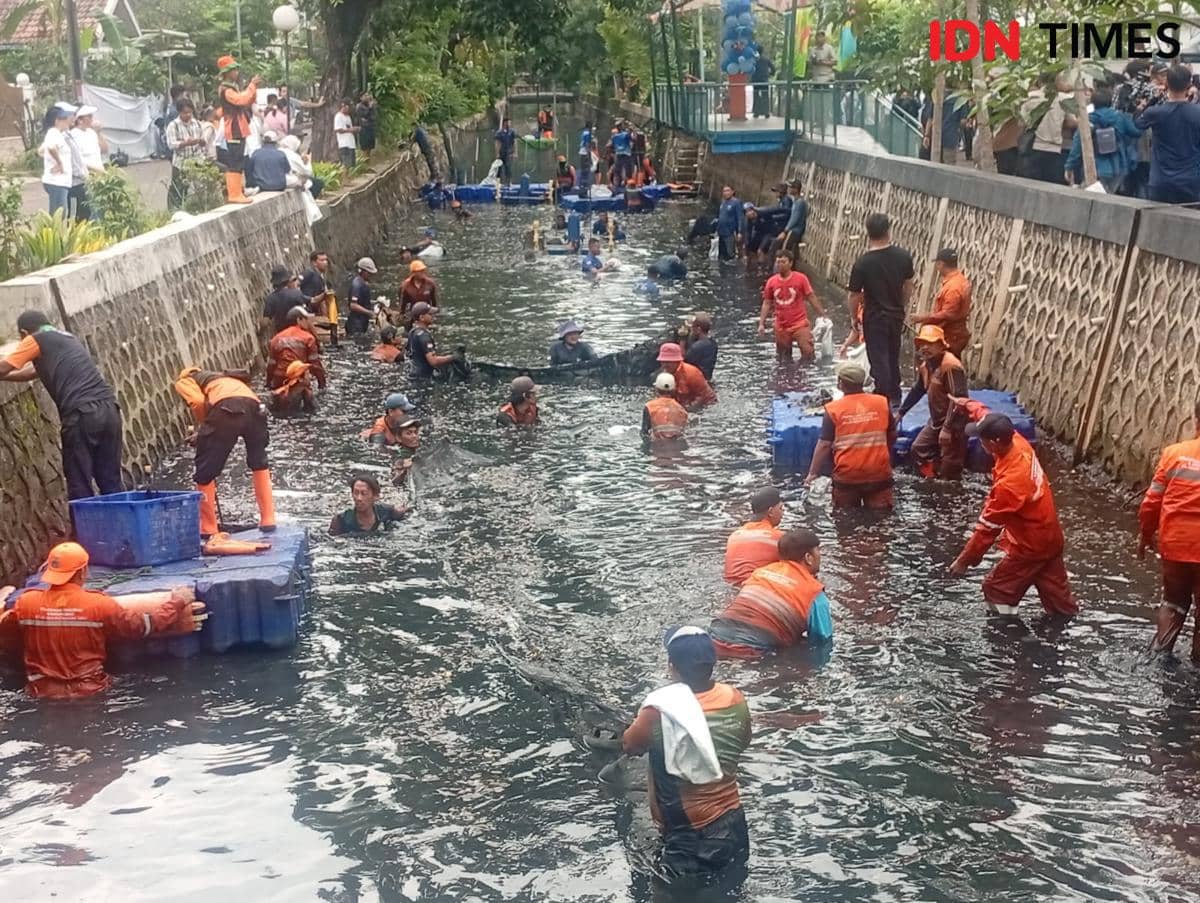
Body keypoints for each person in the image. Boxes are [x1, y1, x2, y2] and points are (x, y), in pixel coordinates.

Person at [619, 625, 752, 880]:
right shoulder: (735, 699)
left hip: (691, 838)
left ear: (672, 666)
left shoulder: (660, 711)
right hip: (735, 824)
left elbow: (630, 746)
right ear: (712, 664)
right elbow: (743, 742)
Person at [0, 544, 204, 699]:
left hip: (41, 693)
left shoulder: (25, 603)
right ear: (82, 572)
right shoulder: (99, 604)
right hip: (90, 692)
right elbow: (144, 626)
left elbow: (7, 638)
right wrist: (177, 602)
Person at [949, 414, 1078, 617]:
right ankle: (1064, 635)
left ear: (993, 443)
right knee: (1060, 604)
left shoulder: (1010, 484)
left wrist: (964, 561)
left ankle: (1009, 640)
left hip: (1030, 547)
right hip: (1050, 539)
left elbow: (987, 529)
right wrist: (967, 404)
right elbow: (985, 412)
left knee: (996, 589)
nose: (978, 441)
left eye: (981, 438)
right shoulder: (1017, 441)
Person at [0, 309, 122, 499]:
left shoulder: (35, 339)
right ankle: (121, 527)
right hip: (109, 409)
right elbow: (30, 373)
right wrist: (6, 378)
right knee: (110, 480)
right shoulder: (67, 338)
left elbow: (4, 366)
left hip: (82, 414)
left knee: (79, 482)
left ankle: (87, 528)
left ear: (24, 333)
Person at [173, 366, 275, 535]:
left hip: (227, 409)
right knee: (259, 462)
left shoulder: (184, 381)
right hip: (256, 408)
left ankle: (208, 527)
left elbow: (197, 402)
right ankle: (268, 519)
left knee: (205, 470)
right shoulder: (222, 380)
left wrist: (204, 429)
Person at [1139, 400, 1200, 658]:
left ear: (1196, 419)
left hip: (1175, 544)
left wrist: (1144, 535)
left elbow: (1151, 502)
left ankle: (1159, 658)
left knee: (1173, 602)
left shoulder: (1174, 454)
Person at [710, 529, 834, 657]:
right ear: (808, 558)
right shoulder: (814, 593)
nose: (820, 555)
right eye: (818, 551)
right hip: (755, 649)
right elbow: (822, 641)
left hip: (715, 637)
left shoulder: (760, 572)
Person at [806, 361, 896, 508]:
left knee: (845, 519)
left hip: (848, 476)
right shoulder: (882, 402)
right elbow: (892, 435)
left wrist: (812, 474)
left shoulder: (833, 409)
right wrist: (883, 455)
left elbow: (824, 445)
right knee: (881, 520)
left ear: (840, 383)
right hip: (878, 473)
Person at [848, 213, 914, 409]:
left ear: (867, 232)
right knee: (893, 354)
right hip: (896, 315)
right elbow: (908, 286)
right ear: (888, 230)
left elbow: (854, 294)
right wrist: (902, 306)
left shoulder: (863, 262)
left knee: (878, 358)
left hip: (875, 316)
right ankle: (894, 394)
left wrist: (854, 317)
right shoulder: (903, 256)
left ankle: (883, 396)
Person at [898, 325, 968, 480]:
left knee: (950, 469)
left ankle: (947, 484)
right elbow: (918, 390)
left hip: (955, 423)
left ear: (941, 346)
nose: (925, 348)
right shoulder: (927, 365)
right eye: (922, 344)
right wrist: (901, 412)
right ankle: (932, 475)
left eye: (930, 344)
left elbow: (959, 399)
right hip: (937, 420)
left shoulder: (950, 366)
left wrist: (948, 428)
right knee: (918, 448)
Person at [1135, 64, 1200, 204]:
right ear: (1189, 84)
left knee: (1158, 224)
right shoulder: (1197, 112)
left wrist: (1153, 100)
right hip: (1192, 181)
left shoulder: (1155, 113)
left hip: (1161, 181)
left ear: (1166, 83)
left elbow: (1137, 123)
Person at [1065, 86, 1141, 193]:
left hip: (1094, 167)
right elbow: (1136, 132)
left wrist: (1069, 166)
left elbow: (1078, 145)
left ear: (1093, 102)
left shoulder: (1088, 119)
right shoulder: (1120, 117)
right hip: (1117, 167)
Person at [759, 250, 826, 361]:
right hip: (781, 325)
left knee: (808, 352)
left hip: (800, 323)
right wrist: (761, 323)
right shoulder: (771, 282)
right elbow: (767, 302)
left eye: (783, 262)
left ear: (790, 263)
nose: (780, 265)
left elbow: (811, 297)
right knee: (783, 357)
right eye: (778, 262)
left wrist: (823, 315)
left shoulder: (801, 279)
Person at [216, 55, 261, 203]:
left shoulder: (231, 88)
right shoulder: (227, 90)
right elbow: (241, 100)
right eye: (234, 70)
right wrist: (251, 85)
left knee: (238, 161)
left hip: (239, 128)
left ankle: (237, 192)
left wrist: (253, 89)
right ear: (227, 72)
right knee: (235, 162)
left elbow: (247, 100)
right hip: (234, 128)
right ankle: (234, 194)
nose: (236, 72)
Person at [913, 248, 971, 357]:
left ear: (941, 264)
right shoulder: (961, 280)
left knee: (944, 367)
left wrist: (923, 318)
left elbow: (949, 314)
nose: (937, 268)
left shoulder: (953, 287)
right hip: (956, 334)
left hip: (950, 335)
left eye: (937, 265)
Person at [1020, 72, 1075, 185]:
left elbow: (1021, 123)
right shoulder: (1063, 99)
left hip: (1033, 146)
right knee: (1052, 186)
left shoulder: (1030, 97)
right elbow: (1071, 122)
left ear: (1040, 82)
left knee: (1032, 185)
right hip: (1054, 150)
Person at [723, 487, 784, 586]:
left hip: (731, 587)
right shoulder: (778, 537)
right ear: (771, 511)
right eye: (781, 508)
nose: (783, 513)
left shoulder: (734, 536)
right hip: (757, 588)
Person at [267, 306, 326, 391]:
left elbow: (271, 365)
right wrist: (322, 385)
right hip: (298, 378)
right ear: (299, 320)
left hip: (279, 380)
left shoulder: (276, 339)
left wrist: (268, 384)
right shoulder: (308, 338)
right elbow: (315, 364)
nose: (308, 322)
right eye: (306, 319)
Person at [329, 474, 407, 535]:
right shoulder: (340, 520)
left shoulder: (387, 512)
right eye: (356, 493)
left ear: (376, 496)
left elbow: (407, 512)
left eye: (364, 493)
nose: (359, 498)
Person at [165, 99, 207, 209]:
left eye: (190, 112)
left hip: (197, 160)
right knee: (179, 188)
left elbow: (203, 140)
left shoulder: (197, 123)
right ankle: (176, 209)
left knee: (200, 186)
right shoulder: (173, 126)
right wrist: (185, 143)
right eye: (185, 112)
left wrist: (201, 142)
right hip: (181, 162)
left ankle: (200, 206)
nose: (188, 115)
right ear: (179, 112)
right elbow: (171, 144)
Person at [657, 342, 716, 408]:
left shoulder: (692, 373)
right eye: (663, 361)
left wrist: (687, 409)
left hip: (706, 404)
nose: (665, 365)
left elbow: (702, 396)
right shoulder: (663, 374)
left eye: (668, 362)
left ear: (677, 361)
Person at [407, 302, 456, 378]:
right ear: (422, 317)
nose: (432, 316)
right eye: (429, 314)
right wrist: (453, 357)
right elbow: (433, 361)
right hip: (423, 377)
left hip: (413, 373)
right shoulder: (424, 336)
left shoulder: (412, 332)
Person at [40, 104, 73, 215]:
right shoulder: (53, 132)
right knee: (58, 215)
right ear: (56, 121)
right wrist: (59, 163)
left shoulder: (57, 134)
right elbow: (50, 147)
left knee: (60, 213)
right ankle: (50, 232)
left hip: (61, 181)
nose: (66, 121)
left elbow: (41, 150)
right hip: (56, 181)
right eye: (63, 119)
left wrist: (49, 158)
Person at [261, 265, 307, 336]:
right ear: (287, 280)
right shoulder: (297, 293)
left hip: (282, 334)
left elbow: (265, 322)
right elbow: (305, 314)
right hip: (298, 332)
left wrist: (260, 332)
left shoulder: (271, 298)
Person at [641, 372, 688, 441]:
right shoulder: (682, 410)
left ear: (656, 389)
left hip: (656, 446)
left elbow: (644, 433)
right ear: (674, 389)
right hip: (677, 447)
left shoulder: (649, 406)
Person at [773, 179, 809, 256]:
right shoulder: (795, 202)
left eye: (791, 187)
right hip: (792, 230)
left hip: (794, 231)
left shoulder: (800, 203)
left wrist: (785, 231)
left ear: (796, 189)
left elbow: (794, 219)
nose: (789, 189)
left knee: (784, 251)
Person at [346, 257, 378, 337]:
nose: (370, 275)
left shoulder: (363, 283)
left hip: (362, 322)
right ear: (362, 271)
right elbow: (353, 305)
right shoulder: (357, 285)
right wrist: (369, 312)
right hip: (356, 324)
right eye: (369, 273)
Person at [715, 185, 746, 262]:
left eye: (728, 190)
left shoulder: (736, 202)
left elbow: (740, 217)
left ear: (732, 192)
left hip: (730, 232)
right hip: (721, 232)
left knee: (730, 254)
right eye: (724, 191)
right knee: (721, 254)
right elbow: (720, 217)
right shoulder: (723, 203)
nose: (726, 193)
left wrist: (739, 232)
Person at [684, 312, 717, 381]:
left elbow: (682, 363)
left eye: (693, 327)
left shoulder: (696, 347)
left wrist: (682, 340)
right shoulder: (713, 343)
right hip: (707, 378)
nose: (692, 330)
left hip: (695, 381)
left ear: (699, 329)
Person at [334, 99, 360, 169]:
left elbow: (348, 128)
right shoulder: (338, 116)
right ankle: (345, 179)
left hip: (351, 144)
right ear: (343, 106)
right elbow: (338, 129)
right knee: (346, 165)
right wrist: (350, 130)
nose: (350, 109)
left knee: (351, 165)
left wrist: (355, 129)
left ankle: (349, 179)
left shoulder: (348, 117)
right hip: (344, 144)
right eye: (348, 107)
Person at [752, 48, 774, 118]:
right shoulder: (766, 60)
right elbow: (773, 68)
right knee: (765, 96)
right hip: (764, 80)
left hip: (756, 80)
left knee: (756, 96)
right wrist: (769, 74)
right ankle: (766, 112)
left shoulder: (754, 60)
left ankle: (756, 112)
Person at [494, 117, 516, 184]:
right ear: (504, 123)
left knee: (508, 168)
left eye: (510, 123)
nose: (509, 124)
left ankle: (509, 183)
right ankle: (498, 183)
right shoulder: (499, 132)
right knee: (499, 169)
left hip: (509, 153)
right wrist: (497, 153)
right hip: (501, 153)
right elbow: (497, 143)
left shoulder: (512, 132)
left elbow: (514, 142)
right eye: (508, 123)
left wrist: (515, 152)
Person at [612, 121, 634, 185]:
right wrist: (631, 131)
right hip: (626, 154)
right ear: (621, 126)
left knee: (617, 171)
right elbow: (633, 139)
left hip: (618, 154)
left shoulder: (614, 136)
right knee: (628, 170)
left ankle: (617, 185)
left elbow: (613, 145)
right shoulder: (625, 134)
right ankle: (629, 185)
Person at [577, 120, 596, 194]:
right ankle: (585, 187)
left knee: (583, 169)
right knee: (586, 169)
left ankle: (582, 186)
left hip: (582, 152)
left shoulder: (584, 133)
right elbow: (587, 144)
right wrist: (589, 154)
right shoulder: (588, 134)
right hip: (585, 153)